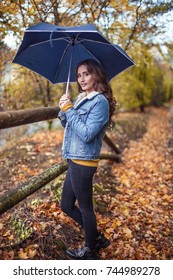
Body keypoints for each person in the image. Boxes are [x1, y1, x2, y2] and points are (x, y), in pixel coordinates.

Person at [58, 59, 116, 260]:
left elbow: (86, 133)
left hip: (84, 162)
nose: (81, 78)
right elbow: (68, 124)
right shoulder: (82, 97)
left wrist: (69, 110)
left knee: (85, 208)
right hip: (74, 158)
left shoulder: (99, 102)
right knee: (66, 205)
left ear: (96, 75)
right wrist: (64, 107)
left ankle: (90, 248)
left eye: (86, 74)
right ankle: (97, 237)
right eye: (79, 75)